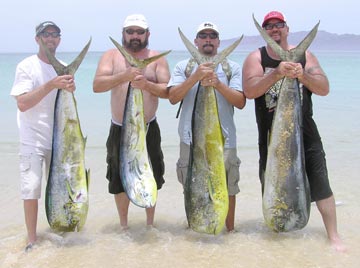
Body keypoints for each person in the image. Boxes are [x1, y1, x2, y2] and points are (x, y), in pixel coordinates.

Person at [242, 11, 345, 251]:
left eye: (278, 25)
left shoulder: (305, 55)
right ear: (265, 32)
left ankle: (334, 236)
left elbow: (324, 88)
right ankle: (277, 241)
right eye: (269, 26)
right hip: (271, 136)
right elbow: (250, 91)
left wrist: (303, 74)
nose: (274, 29)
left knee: (320, 183)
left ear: (287, 29)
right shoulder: (255, 58)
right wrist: (277, 73)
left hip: (305, 132)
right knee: (273, 186)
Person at [93, 14, 170, 229]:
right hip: (120, 128)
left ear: (147, 34)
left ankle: (150, 225)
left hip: (148, 127)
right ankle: (124, 226)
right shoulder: (111, 56)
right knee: (117, 178)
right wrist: (124, 76)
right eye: (130, 31)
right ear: (123, 34)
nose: (135, 36)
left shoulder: (157, 58)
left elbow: (168, 92)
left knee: (152, 173)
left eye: (139, 31)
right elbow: (97, 85)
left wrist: (146, 85)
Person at [167, 22, 246, 232]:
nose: (208, 39)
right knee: (192, 185)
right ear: (196, 41)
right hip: (190, 140)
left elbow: (240, 102)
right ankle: (196, 228)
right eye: (203, 36)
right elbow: (173, 97)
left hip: (225, 141)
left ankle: (229, 232)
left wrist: (217, 83)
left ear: (219, 42)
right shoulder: (182, 67)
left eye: (212, 36)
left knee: (228, 187)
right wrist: (196, 77)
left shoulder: (232, 68)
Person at [10, 21, 76, 251]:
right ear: (37, 39)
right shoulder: (26, 66)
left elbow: (67, 103)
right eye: (45, 34)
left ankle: (62, 234)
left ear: (59, 39)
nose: (50, 38)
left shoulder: (65, 67)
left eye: (55, 34)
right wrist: (52, 84)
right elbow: (22, 103)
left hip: (60, 140)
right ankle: (31, 240)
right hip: (33, 139)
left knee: (62, 188)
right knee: (32, 187)